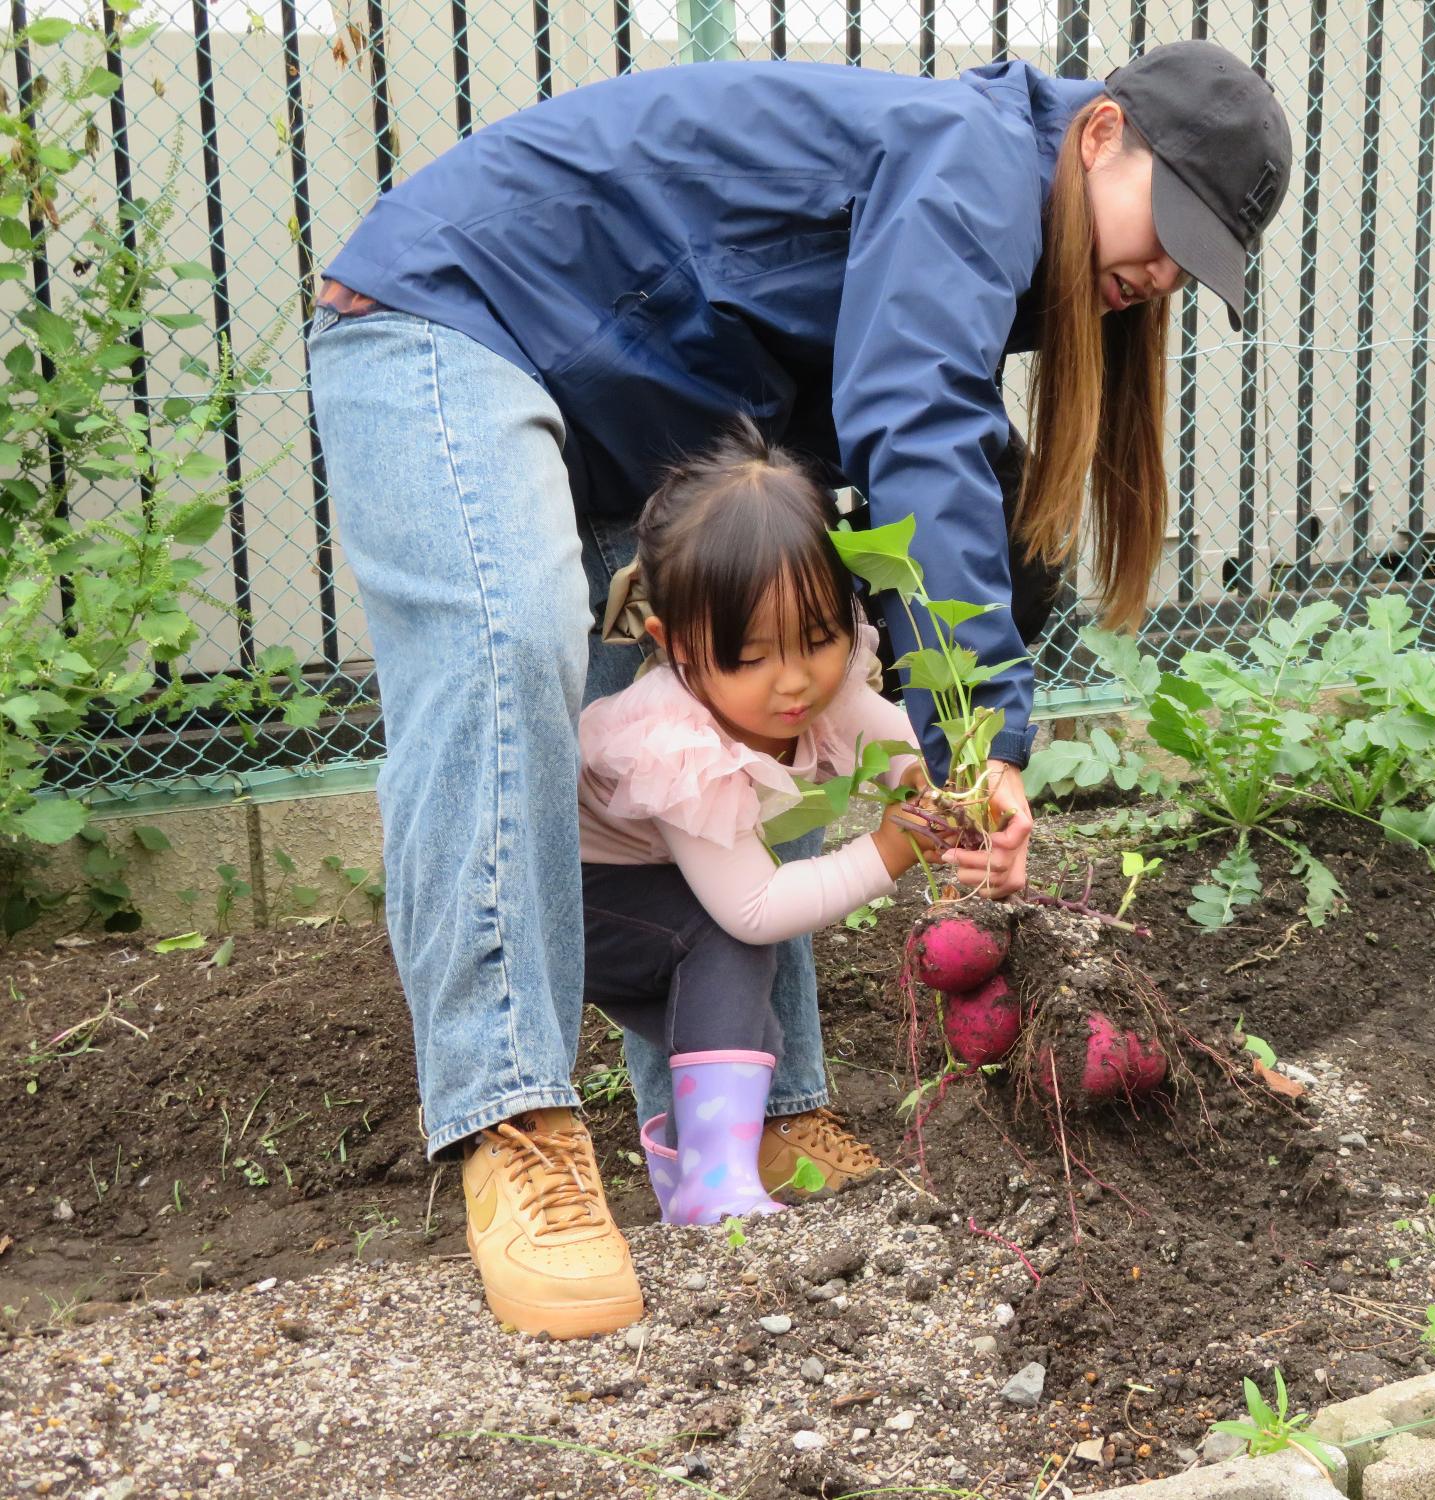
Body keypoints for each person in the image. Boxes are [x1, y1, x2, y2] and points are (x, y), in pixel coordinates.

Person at [307, 40, 1293, 1339]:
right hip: (448, 321)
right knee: (510, 642)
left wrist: (921, 756)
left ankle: (765, 1118)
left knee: (758, 711)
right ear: (1099, 135)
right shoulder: (976, 163)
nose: (1161, 272)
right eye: (1165, 228)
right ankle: (515, 1129)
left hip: (622, 417)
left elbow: (881, 513)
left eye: (1193, 263)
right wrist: (977, 730)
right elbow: (914, 426)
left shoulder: (998, 219)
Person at [577, 421, 942, 1234]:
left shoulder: (822, 680)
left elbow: (887, 739)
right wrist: (889, 848)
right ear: (672, 646)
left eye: (818, 639)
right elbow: (755, 908)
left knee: (740, 1006)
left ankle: (700, 1177)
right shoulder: (673, 739)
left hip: (649, 882)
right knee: (728, 943)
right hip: (574, 899)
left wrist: (936, 791)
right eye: (750, 655)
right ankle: (712, 1180)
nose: (795, 681)